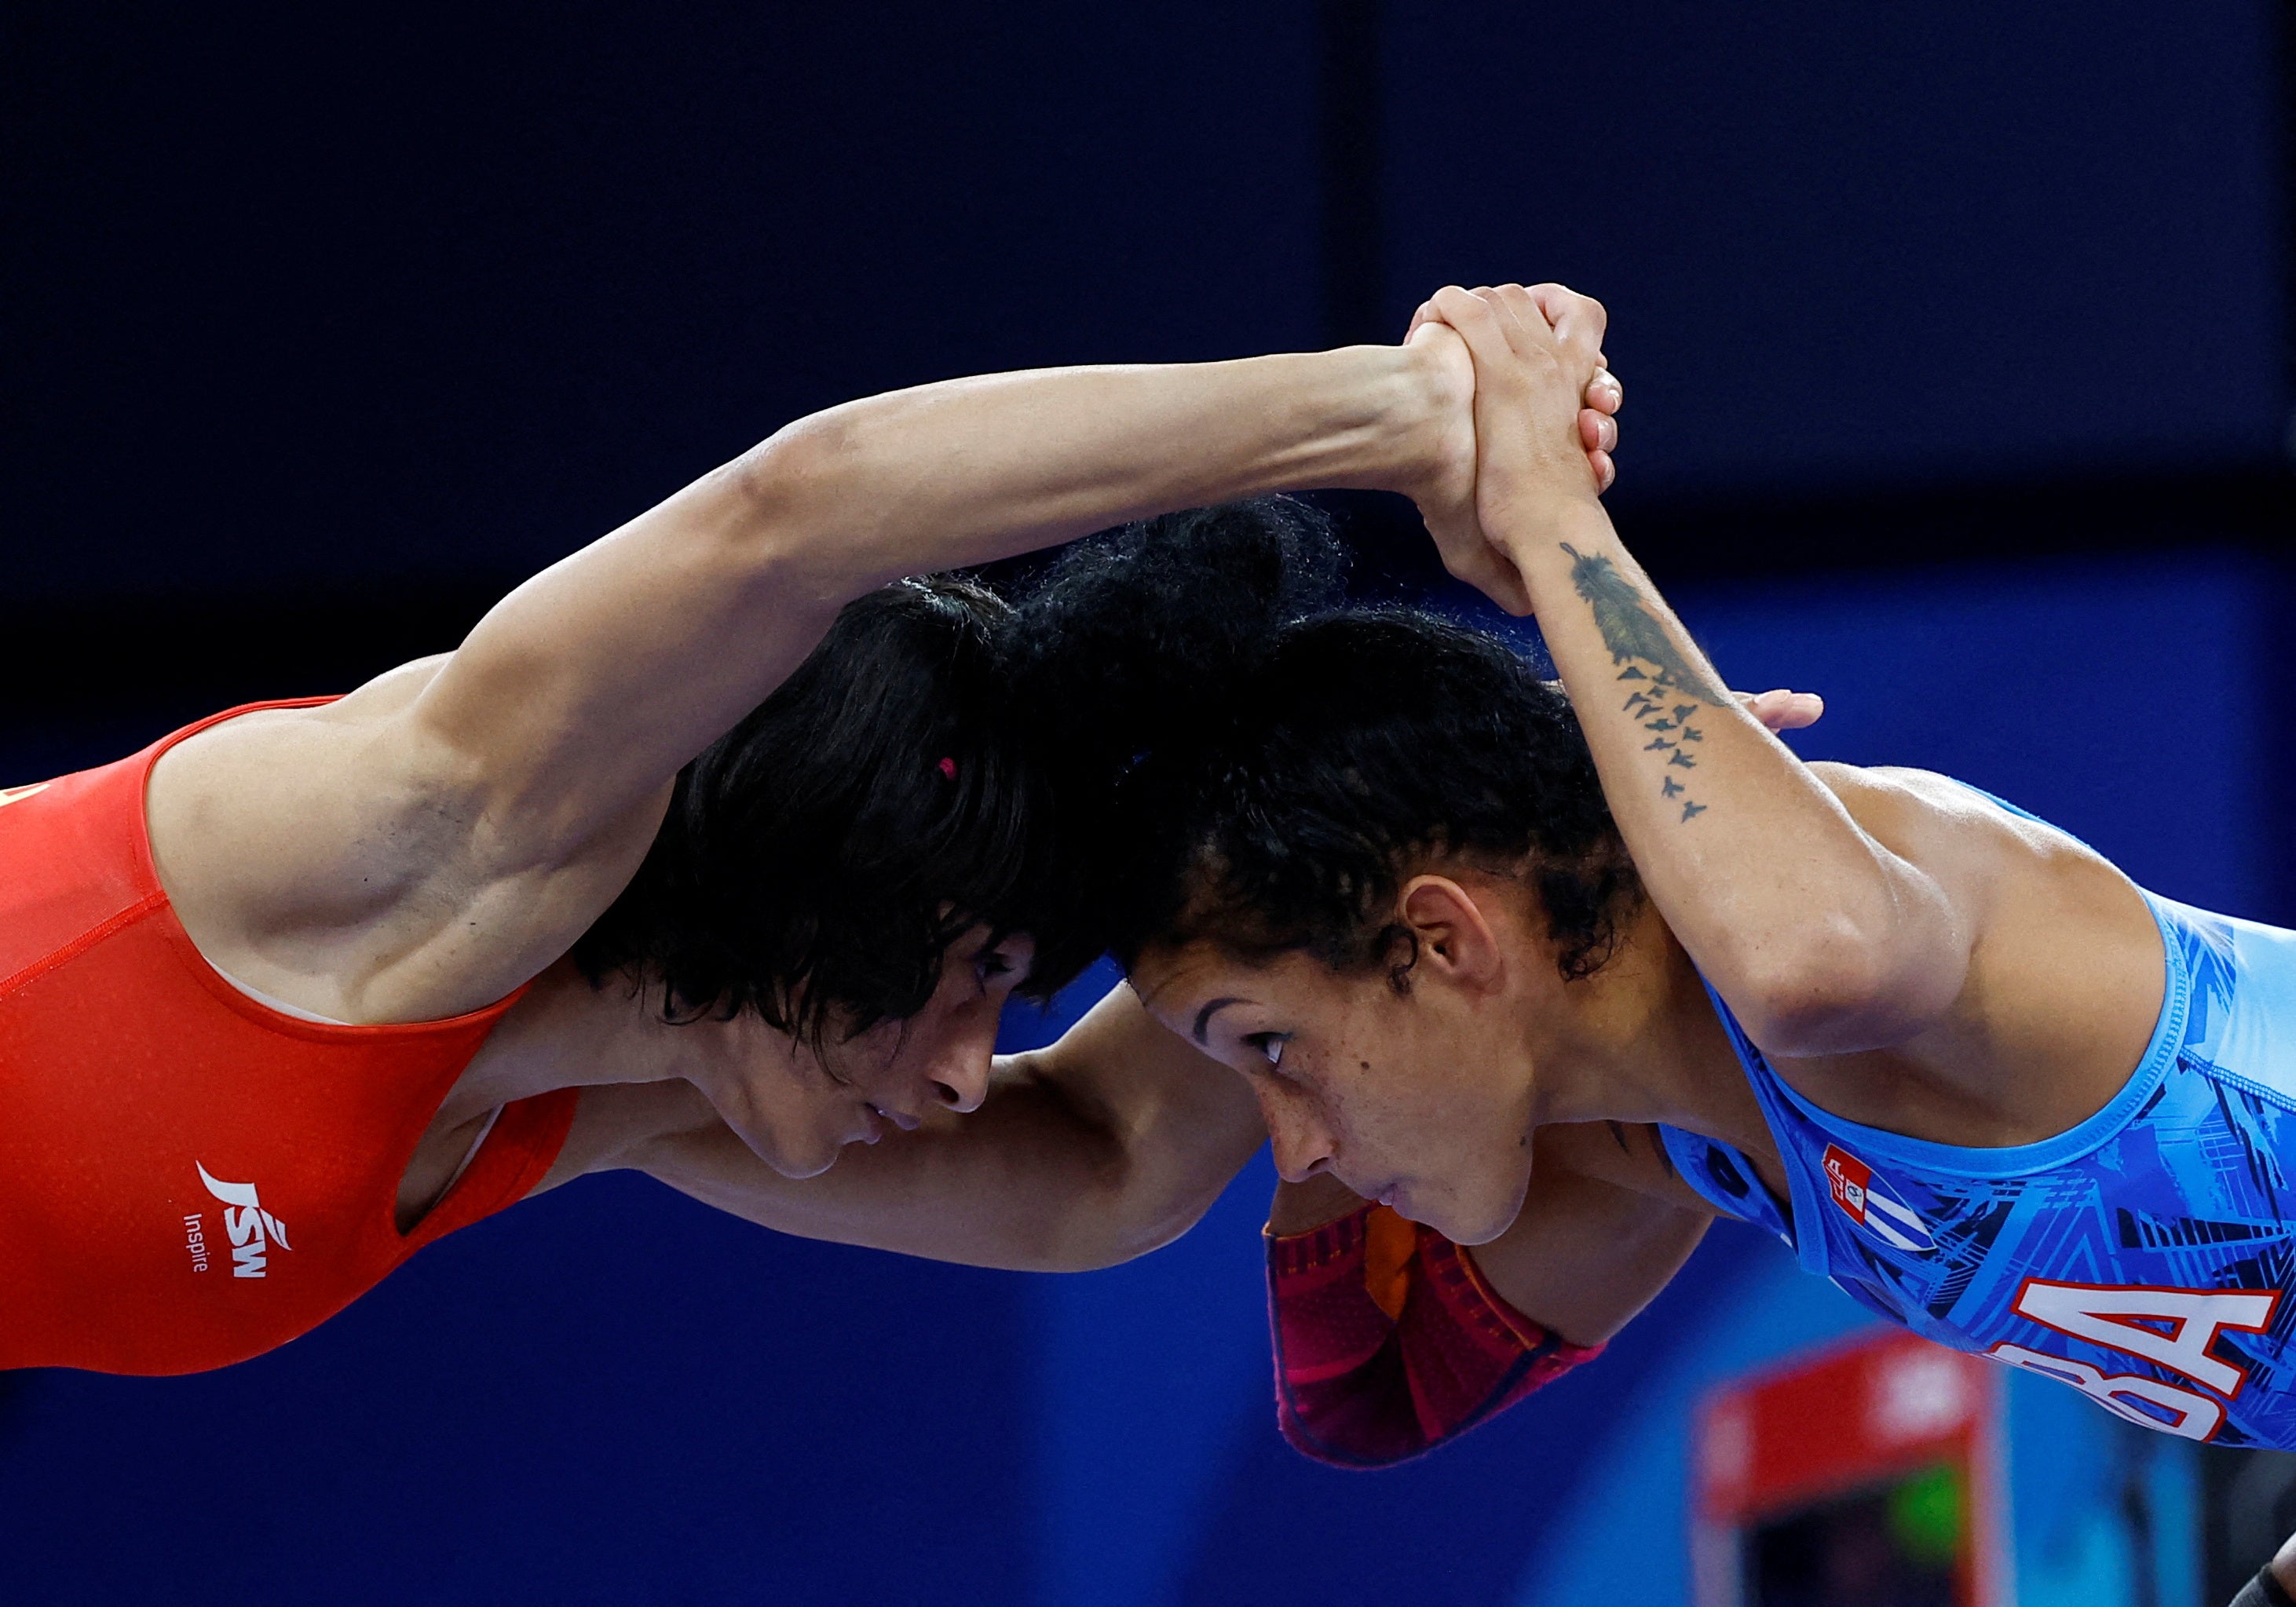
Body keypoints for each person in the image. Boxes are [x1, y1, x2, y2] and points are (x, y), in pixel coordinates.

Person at [0, 309, 1629, 1374]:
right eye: (973, 971)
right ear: (841, 871)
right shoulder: (419, 836)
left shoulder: (606, 1096)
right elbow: (802, 511)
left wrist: (1535, 822)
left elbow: (1103, 1171)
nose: (954, 1071)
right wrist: (1412, 412)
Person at [1088, 281, 2296, 1540]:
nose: (1291, 1145)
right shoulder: (1669, 1136)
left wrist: (1546, 504)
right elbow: (1361, 1402)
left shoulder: (1843, 912)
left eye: (1273, 1048)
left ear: (1444, 938)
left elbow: (1804, 962)